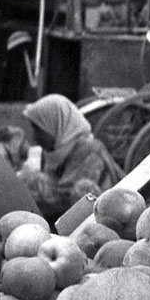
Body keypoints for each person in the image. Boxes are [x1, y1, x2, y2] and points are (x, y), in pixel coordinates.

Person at [18, 94, 124, 222]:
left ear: (56, 124)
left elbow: (68, 198)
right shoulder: (53, 152)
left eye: (39, 130)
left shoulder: (88, 150)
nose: (35, 137)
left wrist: (30, 183)